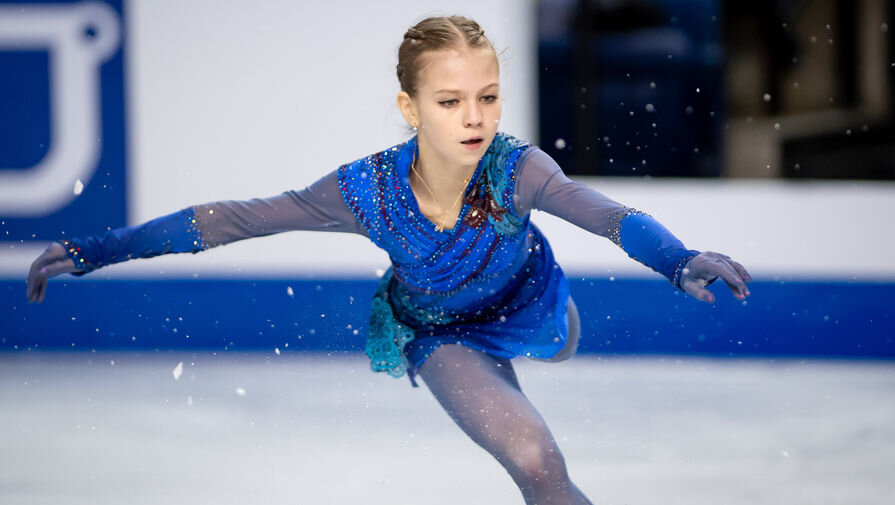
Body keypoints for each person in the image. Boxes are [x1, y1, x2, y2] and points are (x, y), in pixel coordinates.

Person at [26, 15, 751, 505]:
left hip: (531, 298)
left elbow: (608, 216)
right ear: (409, 108)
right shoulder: (363, 191)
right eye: (449, 101)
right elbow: (232, 221)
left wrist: (678, 260)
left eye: (488, 97)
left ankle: (551, 329)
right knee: (535, 460)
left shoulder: (516, 171)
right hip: (439, 331)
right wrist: (98, 250)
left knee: (562, 341)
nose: (474, 118)